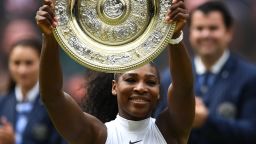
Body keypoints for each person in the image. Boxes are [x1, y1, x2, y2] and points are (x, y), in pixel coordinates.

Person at [36, 0, 194, 143]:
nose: (140, 88)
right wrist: (50, 38)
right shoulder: (96, 135)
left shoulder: (170, 130)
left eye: (151, 82)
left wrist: (175, 36)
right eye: (131, 80)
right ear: (114, 87)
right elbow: (52, 96)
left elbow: (184, 88)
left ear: (159, 91)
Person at [158, 1, 256, 144]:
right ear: (190, 33)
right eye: (199, 28)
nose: (206, 34)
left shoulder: (250, 77)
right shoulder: (171, 77)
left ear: (228, 32)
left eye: (213, 28)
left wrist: (206, 121)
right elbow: (157, 128)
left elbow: (252, 133)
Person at [0, 39, 66, 144]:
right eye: (16, 63)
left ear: (42, 63)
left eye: (29, 63)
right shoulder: (2, 103)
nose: (22, 70)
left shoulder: (56, 106)